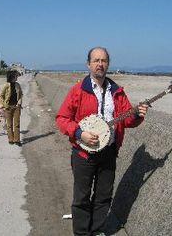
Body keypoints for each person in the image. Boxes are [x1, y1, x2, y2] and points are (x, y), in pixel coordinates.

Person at [55, 47, 149, 236]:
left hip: (108, 152)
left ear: (108, 64)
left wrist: (138, 115)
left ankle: (96, 230)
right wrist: (79, 133)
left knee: (103, 196)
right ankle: (82, 233)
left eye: (104, 60)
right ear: (88, 64)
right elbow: (62, 118)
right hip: (83, 153)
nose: (100, 64)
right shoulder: (77, 90)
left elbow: (127, 120)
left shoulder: (117, 92)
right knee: (81, 197)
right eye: (96, 60)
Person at [0, 70, 23, 146]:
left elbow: (21, 94)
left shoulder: (18, 85)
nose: (17, 77)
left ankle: (17, 140)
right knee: (9, 125)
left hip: (16, 107)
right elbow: (0, 96)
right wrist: (4, 105)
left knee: (17, 124)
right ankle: (11, 139)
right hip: (8, 107)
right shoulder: (6, 85)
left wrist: (19, 103)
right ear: (11, 77)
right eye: (16, 76)